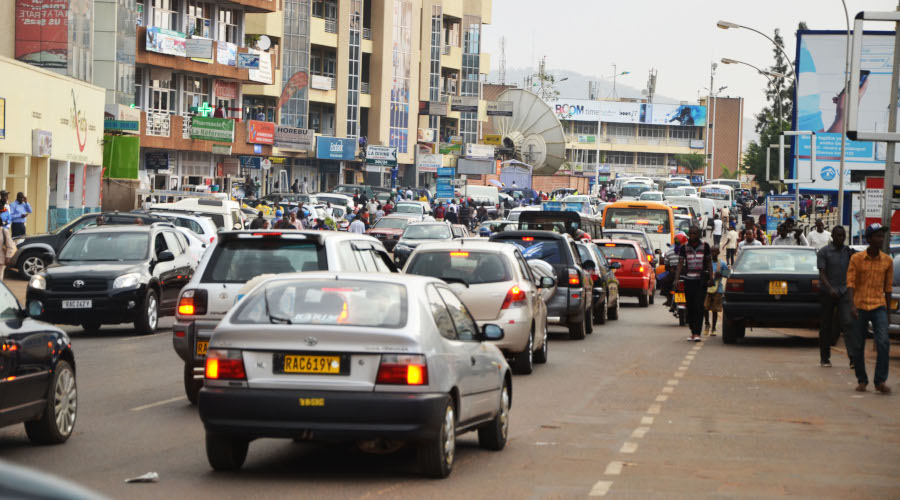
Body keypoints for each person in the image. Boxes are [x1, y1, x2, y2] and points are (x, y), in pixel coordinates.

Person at [846, 223, 893, 394]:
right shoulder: (856, 259)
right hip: (859, 305)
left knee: (883, 342)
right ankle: (862, 380)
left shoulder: (887, 261)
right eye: (878, 236)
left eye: (882, 236)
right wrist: (851, 304)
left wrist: (887, 313)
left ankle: (880, 381)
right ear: (869, 239)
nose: (881, 239)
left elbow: (888, 288)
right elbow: (850, 283)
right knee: (858, 345)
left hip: (878, 305)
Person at [817, 225, 852, 368]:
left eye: (843, 236)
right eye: (838, 236)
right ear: (832, 236)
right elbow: (822, 272)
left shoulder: (847, 252)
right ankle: (825, 358)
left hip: (844, 292)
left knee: (848, 324)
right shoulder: (824, 252)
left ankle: (853, 359)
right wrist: (830, 288)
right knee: (826, 326)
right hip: (827, 293)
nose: (841, 238)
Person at [674, 225, 714, 342]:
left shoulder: (705, 246)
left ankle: (697, 332)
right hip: (688, 280)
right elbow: (680, 263)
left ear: (698, 234)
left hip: (700, 280)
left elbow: (709, 263)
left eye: (695, 233)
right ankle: (693, 330)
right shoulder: (684, 247)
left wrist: (710, 278)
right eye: (691, 233)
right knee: (690, 307)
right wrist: (676, 279)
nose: (693, 236)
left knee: (699, 306)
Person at [703, 246, 729, 336]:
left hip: (718, 289)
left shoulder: (722, 264)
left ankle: (713, 328)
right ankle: (707, 324)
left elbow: (728, 274)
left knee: (714, 309)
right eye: (711, 252)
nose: (713, 254)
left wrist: (721, 274)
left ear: (718, 253)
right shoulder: (706, 263)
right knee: (705, 307)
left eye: (715, 252)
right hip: (707, 288)